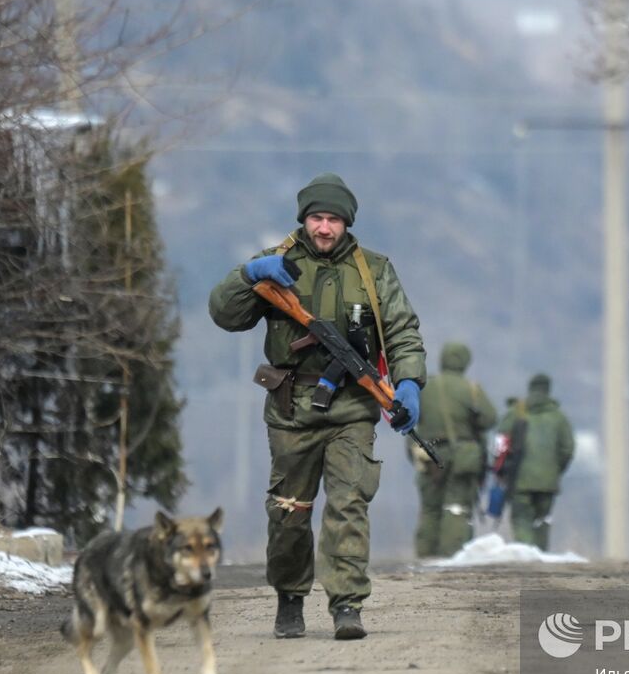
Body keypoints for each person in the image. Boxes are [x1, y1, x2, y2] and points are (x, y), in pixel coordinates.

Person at [208, 173, 426, 641]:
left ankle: (347, 603)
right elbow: (225, 315)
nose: (324, 228)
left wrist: (408, 382)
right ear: (304, 220)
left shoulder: (375, 270)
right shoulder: (276, 263)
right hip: (291, 407)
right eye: (316, 218)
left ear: (347, 223)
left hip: (352, 405)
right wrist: (248, 276)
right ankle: (290, 599)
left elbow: (403, 329)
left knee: (349, 504)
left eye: (333, 219)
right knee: (289, 511)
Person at [412, 342, 497, 557]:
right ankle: (450, 557)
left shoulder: (425, 388)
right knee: (456, 506)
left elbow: (410, 422)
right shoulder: (471, 390)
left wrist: (414, 455)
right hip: (462, 457)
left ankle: (426, 556)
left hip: (429, 456)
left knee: (430, 508)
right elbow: (490, 418)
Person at [495, 374, 574, 550]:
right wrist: (555, 470)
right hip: (548, 481)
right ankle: (540, 556)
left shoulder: (516, 412)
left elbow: (500, 442)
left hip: (519, 479)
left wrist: (500, 469)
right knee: (542, 519)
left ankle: (525, 554)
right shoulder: (559, 418)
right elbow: (568, 449)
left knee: (521, 518)